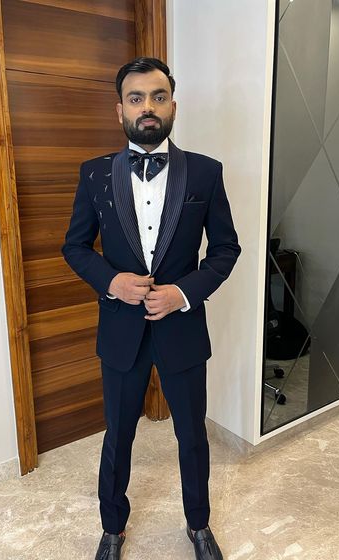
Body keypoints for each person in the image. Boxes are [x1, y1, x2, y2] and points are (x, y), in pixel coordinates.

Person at [62, 57, 241, 560]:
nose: (148, 107)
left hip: (182, 328)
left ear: (173, 106)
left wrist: (183, 293)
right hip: (121, 329)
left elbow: (225, 249)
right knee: (118, 435)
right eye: (136, 98)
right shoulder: (94, 174)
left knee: (192, 435)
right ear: (119, 109)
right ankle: (112, 528)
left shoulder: (205, 172)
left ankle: (199, 525)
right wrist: (111, 281)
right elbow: (75, 246)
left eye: (158, 97)